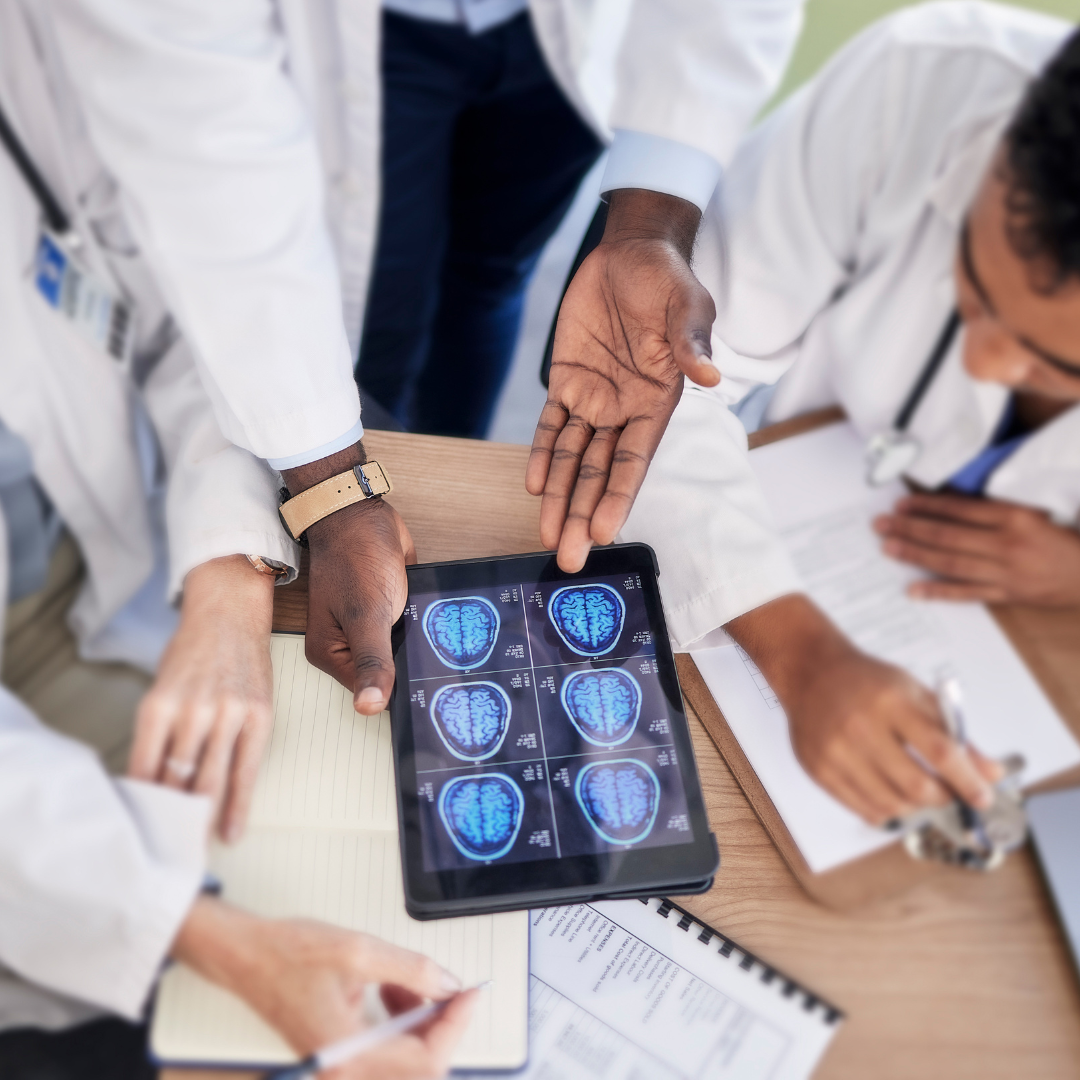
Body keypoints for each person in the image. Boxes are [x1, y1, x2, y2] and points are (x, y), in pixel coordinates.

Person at [20, 0, 805, 724]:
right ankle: (385, 447)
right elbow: (211, 148)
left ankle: (424, 457)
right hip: (372, 34)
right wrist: (334, 483)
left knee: (489, 279)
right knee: (376, 316)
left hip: (552, 34)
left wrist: (649, 224)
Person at [618, 1, 1080, 825]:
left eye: (1055, 364)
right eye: (975, 283)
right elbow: (668, 379)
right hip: (803, 534)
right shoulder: (915, 85)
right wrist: (802, 654)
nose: (984, 365)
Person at [357, 0, 805, 439]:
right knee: (380, 297)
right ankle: (371, 455)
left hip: (565, 43)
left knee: (489, 277)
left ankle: (451, 468)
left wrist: (648, 234)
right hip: (386, 29)